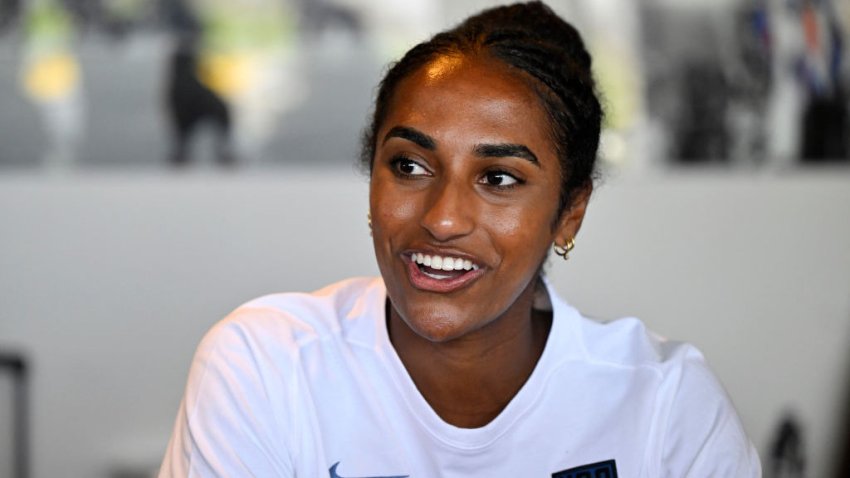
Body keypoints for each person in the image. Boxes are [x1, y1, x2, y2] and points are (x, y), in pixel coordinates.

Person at [159, 2, 762, 476]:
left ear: (569, 213)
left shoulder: (664, 403)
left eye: (499, 178)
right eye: (410, 167)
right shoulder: (267, 366)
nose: (443, 219)